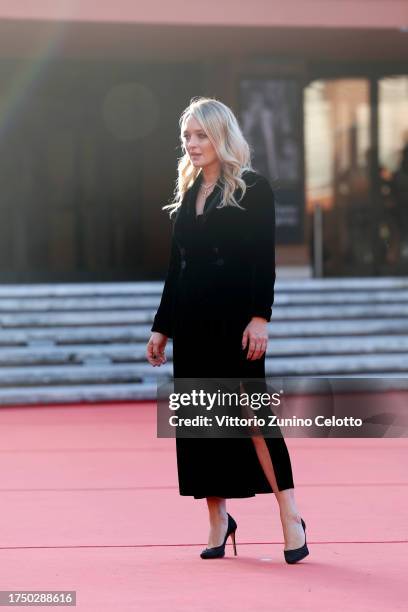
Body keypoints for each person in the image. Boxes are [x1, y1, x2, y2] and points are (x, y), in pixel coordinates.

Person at [146, 97, 309, 564]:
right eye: (187, 138)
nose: (192, 145)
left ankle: (290, 514)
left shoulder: (252, 188)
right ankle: (219, 520)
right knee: (201, 423)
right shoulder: (188, 190)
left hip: (236, 321)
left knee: (255, 418)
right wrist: (162, 328)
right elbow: (177, 270)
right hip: (192, 323)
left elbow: (264, 257)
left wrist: (262, 315)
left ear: (221, 136)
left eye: (200, 136)